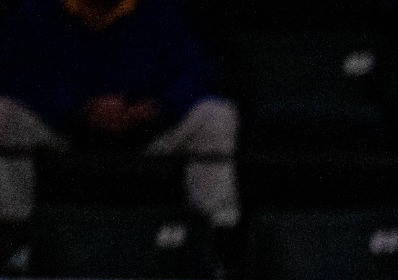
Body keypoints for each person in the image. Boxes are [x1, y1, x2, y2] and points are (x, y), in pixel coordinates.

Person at [0, 0, 239, 228]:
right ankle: (13, 238)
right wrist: (77, 108)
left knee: (216, 116)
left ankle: (215, 242)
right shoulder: (37, 13)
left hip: (146, 135)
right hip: (64, 134)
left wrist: (152, 108)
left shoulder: (161, 12)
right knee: (3, 113)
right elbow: (16, 76)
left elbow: (198, 74)